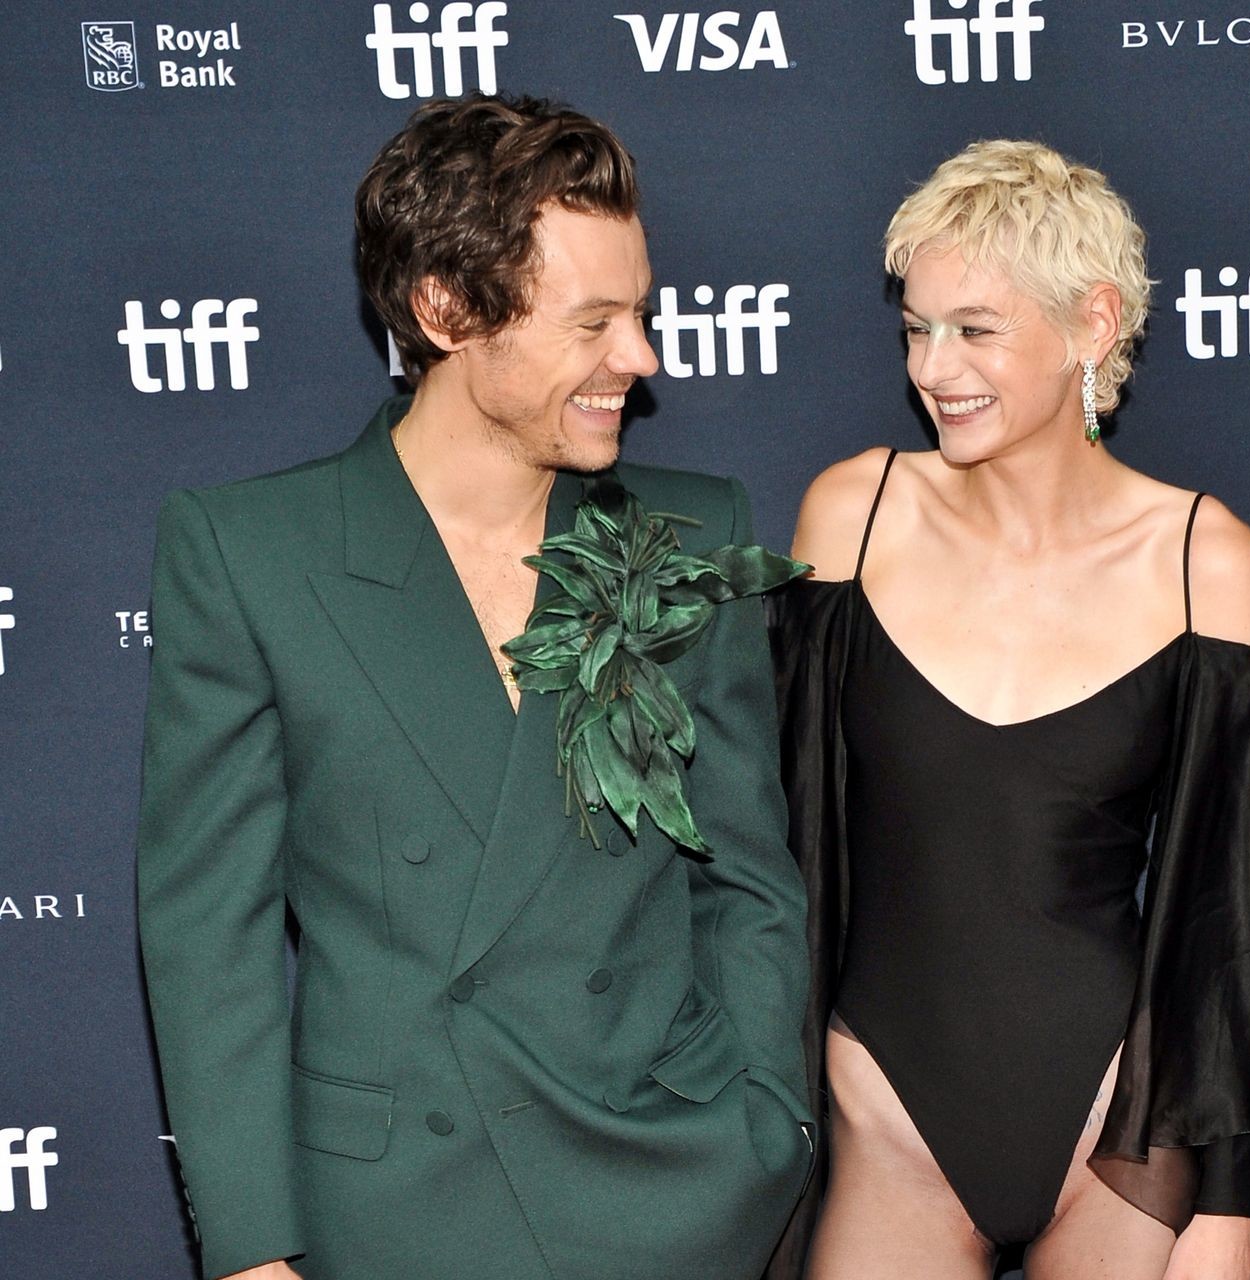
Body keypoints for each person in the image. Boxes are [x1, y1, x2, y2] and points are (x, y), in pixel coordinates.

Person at [136, 95, 811, 1280]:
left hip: (675, 1189)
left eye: (640, 313)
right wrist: (249, 1251)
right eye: (593, 321)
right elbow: (209, 938)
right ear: (446, 309)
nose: (641, 358)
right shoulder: (252, 554)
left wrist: (768, 1125)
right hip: (404, 1208)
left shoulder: (689, 536)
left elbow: (749, 877)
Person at [767, 140, 1250, 1280]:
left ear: (1093, 324)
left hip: (1122, 1125)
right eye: (917, 328)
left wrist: (1228, 1203)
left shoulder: (1202, 558)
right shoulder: (854, 516)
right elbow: (783, 836)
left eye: (976, 328)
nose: (935, 367)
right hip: (884, 1119)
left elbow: (1240, 904)